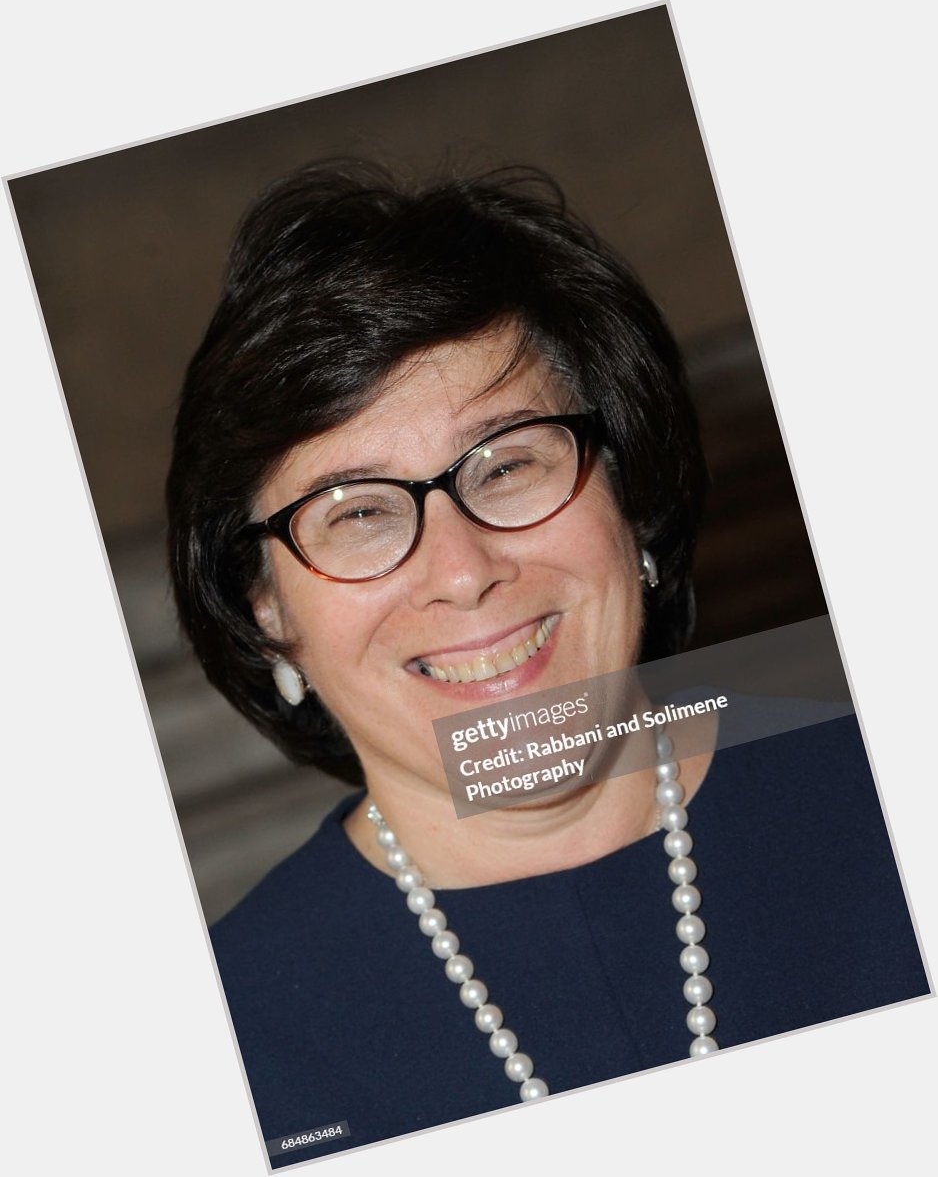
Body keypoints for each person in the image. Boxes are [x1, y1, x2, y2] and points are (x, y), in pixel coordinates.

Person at [166, 160, 927, 1165]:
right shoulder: (215, 1044)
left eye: (509, 463)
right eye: (356, 514)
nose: (462, 570)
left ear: (630, 497)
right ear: (267, 613)